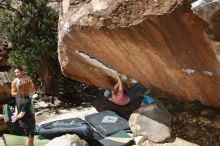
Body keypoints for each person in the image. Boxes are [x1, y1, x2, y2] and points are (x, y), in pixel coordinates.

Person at [11, 66, 35, 146]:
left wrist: (28, 93)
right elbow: (12, 93)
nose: (16, 74)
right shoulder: (15, 81)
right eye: (15, 72)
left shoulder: (28, 79)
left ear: (22, 72)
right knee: (30, 132)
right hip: (23, 101)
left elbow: (33, 89)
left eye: (17, 72)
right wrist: (21, 94)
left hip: (27, 102)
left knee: (29, 131)